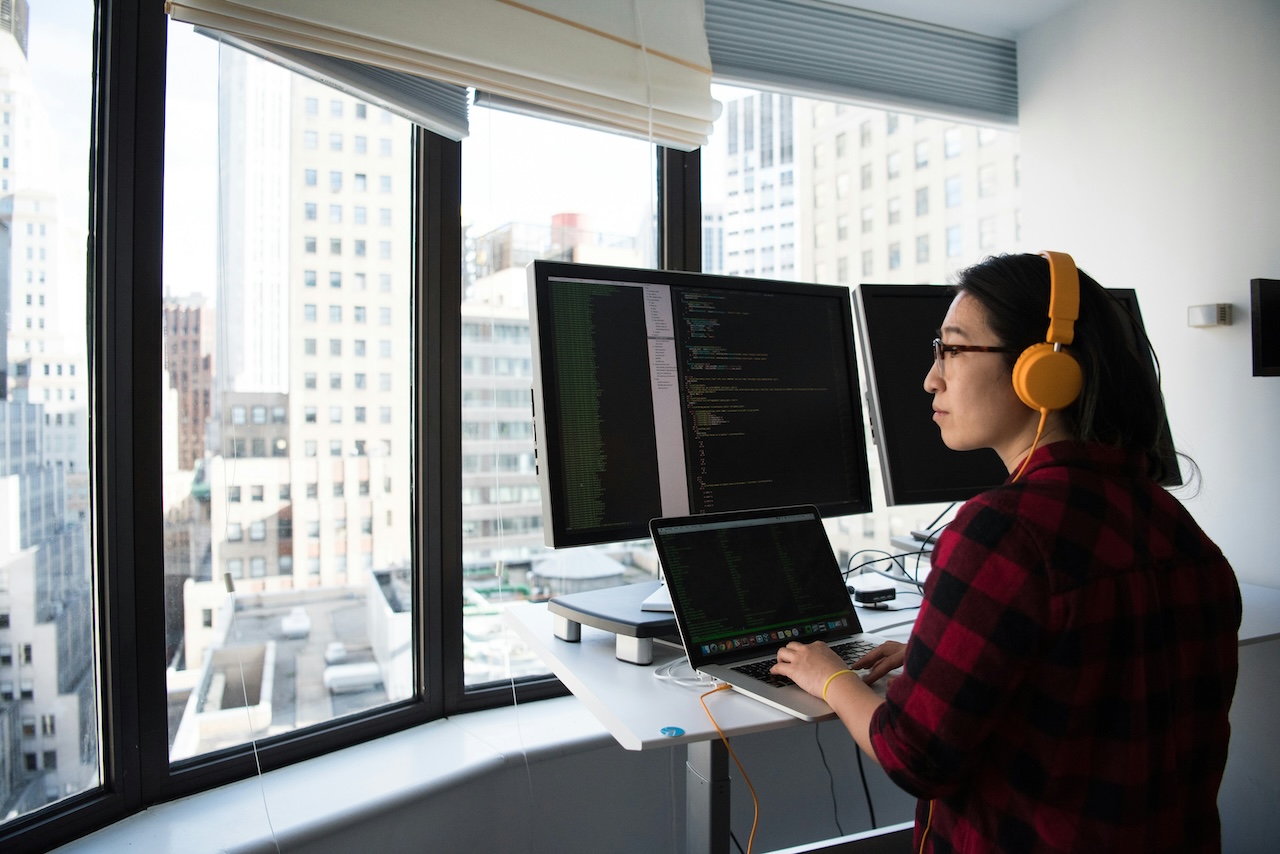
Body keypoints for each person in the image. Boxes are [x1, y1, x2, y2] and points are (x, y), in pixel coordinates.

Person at [771, 252, 1241, 852]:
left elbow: (914, 756)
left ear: (1042, 371)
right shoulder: (1177, 527)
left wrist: (830, 675)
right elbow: (1093, 668)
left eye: (953, 350)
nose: (931, 378)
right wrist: (944, 651)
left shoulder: (1003, 532)